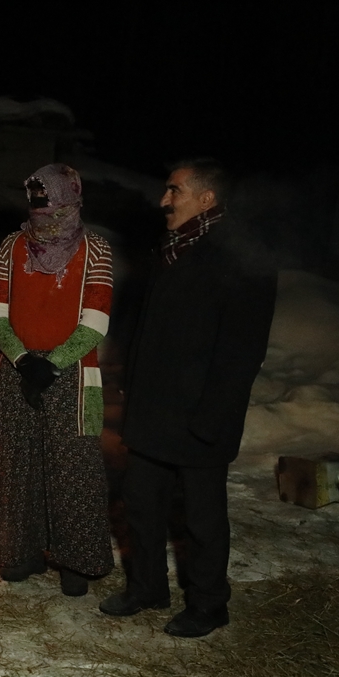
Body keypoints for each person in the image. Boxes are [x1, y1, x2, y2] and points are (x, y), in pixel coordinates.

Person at [100, 158, 276, 638]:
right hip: (153, 409)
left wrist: (212, 417)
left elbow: (243, 351)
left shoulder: (241, 256)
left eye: (174, 191)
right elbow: (146, 327)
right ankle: (147, 588)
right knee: (141, 502)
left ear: (206, 198)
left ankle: (208, 604)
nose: (163, 201)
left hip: (200, 415)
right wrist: (129, 382)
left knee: (201, 517)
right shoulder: (172, 248)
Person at [0, 163, 115, 596]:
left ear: (68, 196)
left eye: (47, 197)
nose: (40, 207)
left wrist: (53, 363)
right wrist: (23, 360)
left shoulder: (95, 250)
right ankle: (20, 552)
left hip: (72, 373)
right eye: (34, 198)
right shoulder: (11, 246)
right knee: (16, 462)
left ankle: (75, 561)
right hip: (17, 368)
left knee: (72, 466)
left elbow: (95, 322)